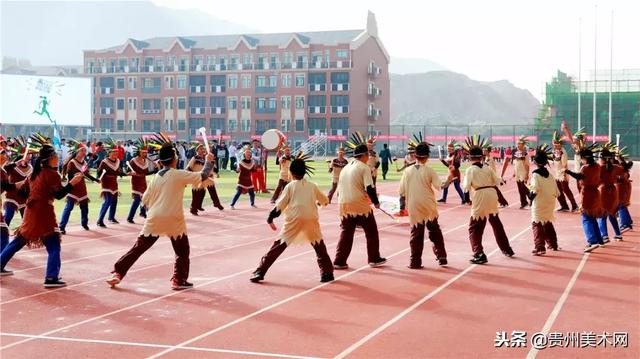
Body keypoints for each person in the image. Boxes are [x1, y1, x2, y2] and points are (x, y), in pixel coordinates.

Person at [106, 139, 215, 290]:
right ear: (174, 159)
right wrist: (209, 162)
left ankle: (117, 273)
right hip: (174, 219)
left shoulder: (156, 177)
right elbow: (202, 175)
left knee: (137, 249)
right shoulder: (178, 174)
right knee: (182, 251)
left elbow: (144, 200)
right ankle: (179, 280)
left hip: (154, 218)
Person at [0, 144, 84, 286]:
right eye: (55, 156)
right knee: (53, 244)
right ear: (50, 158)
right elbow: (58, 195)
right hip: (44, 212)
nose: (57, 158)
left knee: (19, 240)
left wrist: (33, 197)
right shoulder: (52, 174)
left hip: (30, 211)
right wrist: (72, 183)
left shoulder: (33, 174)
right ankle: (51, 277)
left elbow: (21, 193)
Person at [250, 153, 334, 283]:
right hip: (310, 218)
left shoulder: (290, 186)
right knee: (319, 245)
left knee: (279, 245)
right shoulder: (312, 186)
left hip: (294, 219)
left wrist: (270, 217)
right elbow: (325, 200)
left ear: (291, 172)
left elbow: (280, 205)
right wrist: (318, 203)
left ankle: (260, 271)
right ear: (305, 172)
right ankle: (327, 273)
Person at [333, 132, 386, 269]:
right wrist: (376, 202)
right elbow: (369, 187)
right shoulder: (364, 168)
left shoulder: (346, 167)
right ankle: (374, 258)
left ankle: (339, 261)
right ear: (364, 155)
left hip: (343, 203)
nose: (369, 157)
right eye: (367, 154)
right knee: (371, 231)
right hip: (358, 204)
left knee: (346, 232)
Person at [461, 135, 514, 264]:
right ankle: (507, 249)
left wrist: (467, 200)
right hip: (491, 193)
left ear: (469, 157)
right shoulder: (487, 167)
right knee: (496, 223)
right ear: (481, 157)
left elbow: (466, 187)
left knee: (474, 227)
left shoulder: (470, 170)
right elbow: (497, 181)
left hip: (480, 195)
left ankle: (478, 253)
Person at [398, 140, 447, 268]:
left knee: (416, 233)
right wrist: (450, 178)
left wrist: (402, 206)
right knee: (435, 230)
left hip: (414, 204)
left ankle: (415, 261)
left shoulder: (407, 171)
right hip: (428, 204)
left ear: (415, 155)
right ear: (427, 157)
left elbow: (401, 191)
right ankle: (441, 256)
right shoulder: (430, 171)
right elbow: (440, 186)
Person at [565, 143, 605, 252]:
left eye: (581, 158)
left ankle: (592, 241)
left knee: (586, 218)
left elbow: (579, 176)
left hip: (587, 194)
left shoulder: (585, 168)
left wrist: (568, 171)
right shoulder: (597, 166)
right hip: (596, 194)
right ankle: (599, 240)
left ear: (584, 158)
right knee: (593, 218)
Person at [59, 139, 99, 234]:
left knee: (85, 207)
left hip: (82, 188)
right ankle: (62, 226)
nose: (84, 152)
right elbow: (70, 176)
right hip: (73, 188)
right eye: (82, 150)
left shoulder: (84, 163)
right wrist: (77, 174)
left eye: (85, 150)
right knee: (69, 207)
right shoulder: (72, 162)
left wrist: (96, 179)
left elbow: (87, 175)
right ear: (77, 151)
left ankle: (84, 223)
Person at [528, 145, 560, 255]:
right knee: (547, 221)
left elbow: (534, 189)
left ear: (535, 162)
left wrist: (530, 197)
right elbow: (557, 192)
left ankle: (539, 246)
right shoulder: (550, 175)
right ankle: (553, 244)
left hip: (540, 202)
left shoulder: (535, 175)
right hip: (550, 201)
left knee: (536, 223)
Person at [597, 143, 624, 242]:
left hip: (603, 190)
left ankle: (604, 235)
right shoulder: (615, 167)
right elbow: (625, 170)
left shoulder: (599, 167)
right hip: (613, 191)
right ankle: (618, 234)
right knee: (612, 213)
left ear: (602, 158)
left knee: (602, 214)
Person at [3, 136, 32, 227]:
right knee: (8, 217)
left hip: (23, 197)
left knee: (26, 220)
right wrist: (17, 163)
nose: (29, 156)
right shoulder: (13, 165)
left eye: (30, 154)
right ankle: (2, 234)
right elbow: (4, 169)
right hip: (11, 195)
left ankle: (22, 238)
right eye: (27, 154)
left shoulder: (31, 168)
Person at [126, 139, 157, 224]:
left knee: (144, 199)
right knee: (136, 200)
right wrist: (130, 172)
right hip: (135, 182)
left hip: (143, 182)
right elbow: (127, 171)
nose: (145, 154)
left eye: (146, 153)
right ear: (139, 152)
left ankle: (142, 213)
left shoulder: (146, 161)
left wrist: (155, 169)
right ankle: (130, 217)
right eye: (143, 153)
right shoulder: (133, 161)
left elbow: (146, 173)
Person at [96, 141, 127, 227]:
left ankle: (111, 217)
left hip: (114, 183)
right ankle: (100, 220)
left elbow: (119, 172)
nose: (116, 154)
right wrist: (99, 177)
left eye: (117, 152)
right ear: (109, 153)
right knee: (108, 201)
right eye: (114, 152)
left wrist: (127, 174)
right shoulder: (104, 162)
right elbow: (99, 173)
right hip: (106, 183)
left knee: (114, 201)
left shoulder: (117, 161)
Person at [187, 143, 224, 215]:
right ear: (197, 150)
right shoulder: (195, 158)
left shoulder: (206, 157)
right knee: (197, 194)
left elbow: (212, 167)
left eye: (203, 149)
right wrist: (189, 177)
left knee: (212, 191)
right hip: (198, 177)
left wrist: (215, 170)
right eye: (200, 149)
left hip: (208, 177)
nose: (202, 150)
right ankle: (194, 209)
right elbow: (189, 167)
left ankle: (217, 203)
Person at [551, 131, 579, 212]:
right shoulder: (554, 152)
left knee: (566, 190)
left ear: (560, 144)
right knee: (557, 190)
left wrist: (563, 175)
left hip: (563, 174)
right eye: (554, 143)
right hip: (557, 174)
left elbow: (564, 165)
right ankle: (564, 206)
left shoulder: (563, 152)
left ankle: (574, 205)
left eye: (556, 144)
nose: (555, 145)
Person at [501, 136, 531, 209]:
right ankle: (524, 203)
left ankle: (533, 198)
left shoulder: (525, 154)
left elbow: (527, 165)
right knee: (520, 189)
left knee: (524, 188)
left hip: (523, 173)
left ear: (523, 145)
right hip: (517, 174)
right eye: (517, 144)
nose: (518, 145)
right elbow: (516, 163)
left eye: (519, 144)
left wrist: (527, 175)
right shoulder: (515, 153)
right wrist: (514, 172)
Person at [395, 136, 419, 217]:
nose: (411, 154)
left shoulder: (417, 159)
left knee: (414, 194)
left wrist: (412, 164)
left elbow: (418, 168)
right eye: (410, 152)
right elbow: (405, 165)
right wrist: (400, 170)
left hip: (414, 177)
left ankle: (415, 208)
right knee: (402, 193)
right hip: (406, 177)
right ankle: (402, 209)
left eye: (413, 152)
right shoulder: (406, 157)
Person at [438, 140, 465, 204]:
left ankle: (464, 199)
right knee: (446, 186)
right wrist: (443, 161)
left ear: (453, 149)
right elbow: (448, 166)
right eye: (448, 148)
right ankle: (444, 198)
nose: (448, 150)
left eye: (450, 149)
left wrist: (454, 167)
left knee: (457, 186)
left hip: (455, 173)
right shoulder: (449, 156)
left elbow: (458, 164)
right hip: (450, 173)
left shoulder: (456, 156)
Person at [615, 147, 633, 233]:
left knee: (620, 205)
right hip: (624, 187)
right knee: (622, 205)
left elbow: (619, 178)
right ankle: (628, 221)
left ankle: (625, 224)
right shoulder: (623, 167)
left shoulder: (620, 168)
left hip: (621, 188)